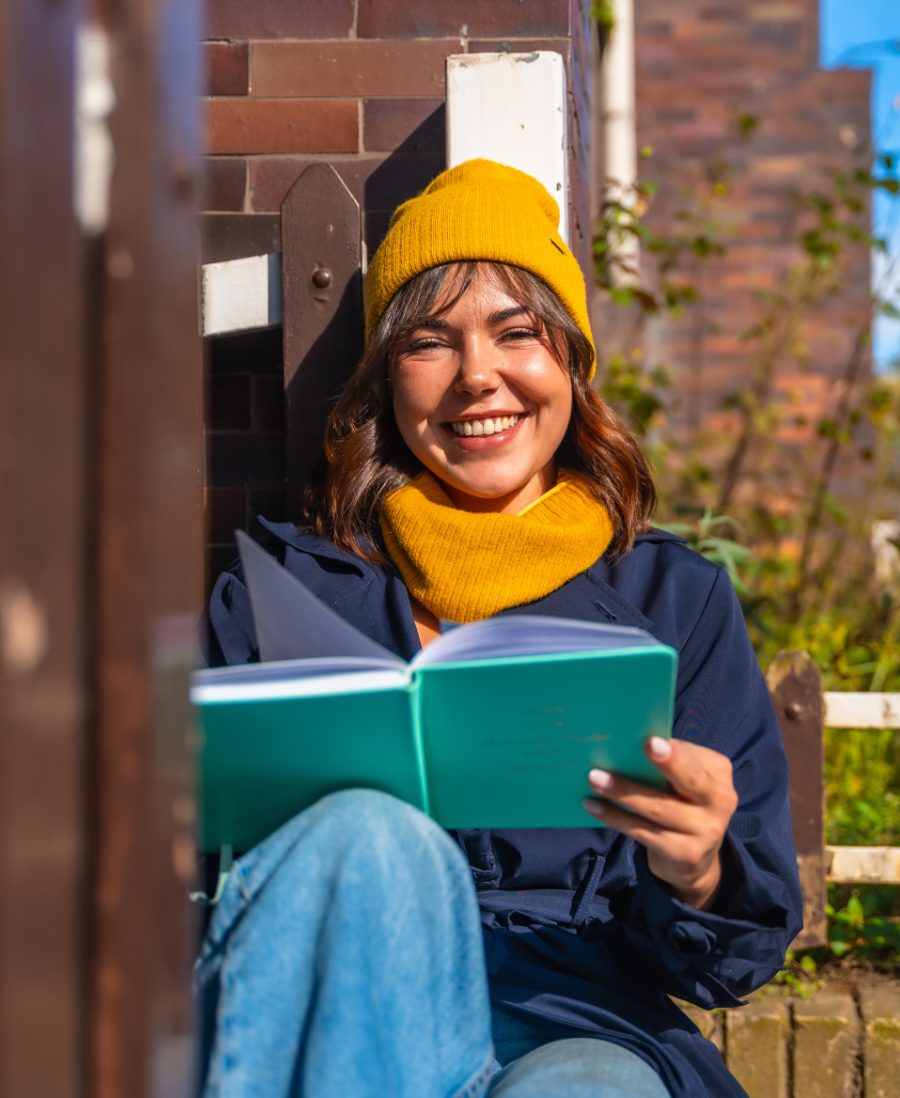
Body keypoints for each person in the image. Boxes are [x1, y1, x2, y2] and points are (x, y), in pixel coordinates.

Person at [199, 160, 802, 1097]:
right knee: (367, 832)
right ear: (388, 380)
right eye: (429, 342)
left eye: (517, 333)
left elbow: (737, 961)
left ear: (571, 362)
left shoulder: (674, 600)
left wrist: (696, 870)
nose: (477, 376)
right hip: (346, 1014)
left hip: (577, 1020)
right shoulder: (282, 595)